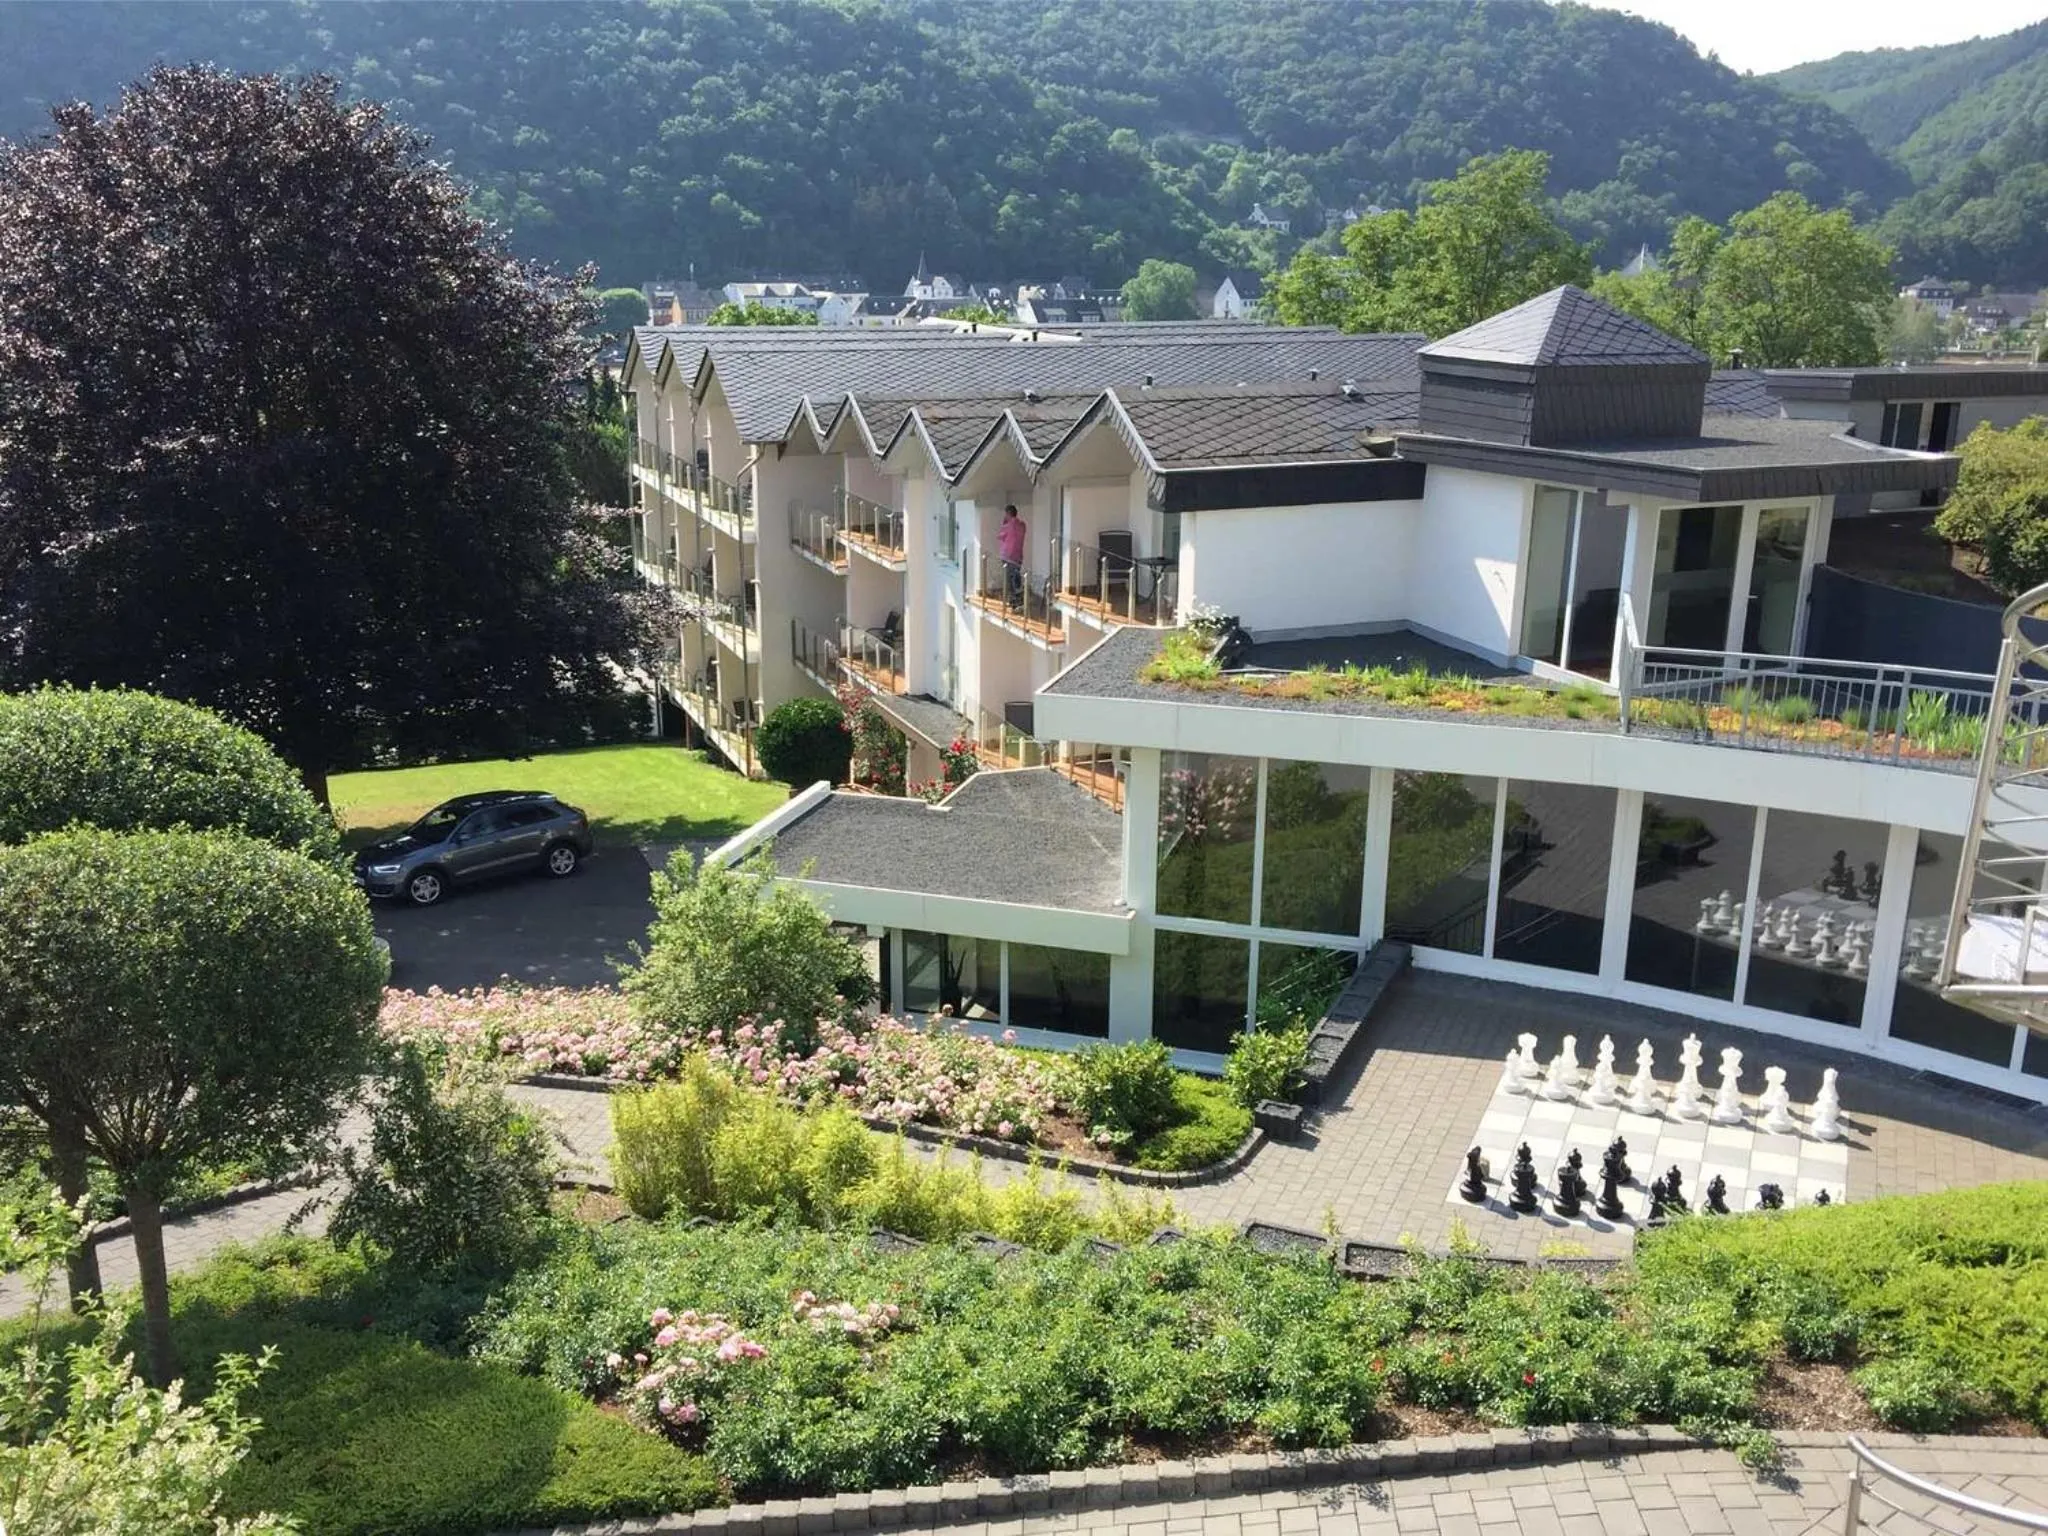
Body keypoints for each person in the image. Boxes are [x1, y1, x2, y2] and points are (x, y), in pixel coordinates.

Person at [997, 503, 1026, 609]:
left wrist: (1004, 523)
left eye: (1006, 514)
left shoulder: (1008, 525)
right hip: (1018, 556)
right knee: (1016, 578)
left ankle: (1013, 602)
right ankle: (1020, 600)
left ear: (1008, 514)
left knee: (1009, 580)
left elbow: (999, 536)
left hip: (1008, 556)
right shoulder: (1022, 525)